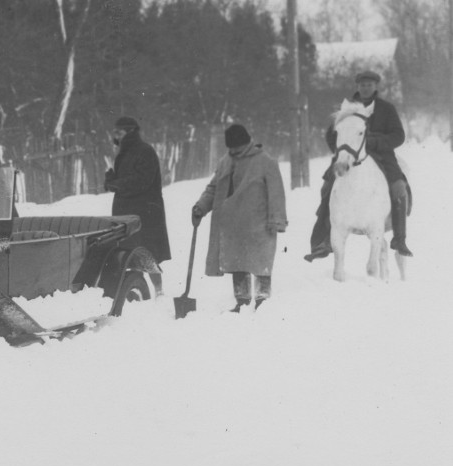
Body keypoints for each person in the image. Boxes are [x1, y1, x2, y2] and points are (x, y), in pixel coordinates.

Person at [305, 70, 412, 261]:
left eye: (369, 85)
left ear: (375, 86)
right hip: (348, 158)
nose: (365, 88)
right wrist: (340, 152)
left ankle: (399, 238)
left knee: (399, 187)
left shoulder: (386, 109)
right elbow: (331, 135)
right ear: (357, 87)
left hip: (382, 156)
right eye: (362, 85)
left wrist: (375, 142)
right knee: (327, 187)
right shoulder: (347, 108)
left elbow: (399, 136)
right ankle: (322, 241)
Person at [192, 124, 287, 312]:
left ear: (246, 143)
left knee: (261, 262)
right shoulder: (225, 161)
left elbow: (276, 192)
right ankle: (242, 299)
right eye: (231, 148)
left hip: (259, 224)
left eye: (237, 147)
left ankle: (263, 299)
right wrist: (201, 207)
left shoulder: (265, 161)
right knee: (237, 262)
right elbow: (213, 188)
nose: (234, 151)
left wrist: (277, 220)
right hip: (233, 224)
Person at [104, 116, 171, 296]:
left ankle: (159, 292)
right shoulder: (123, 152)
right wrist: (111, 180)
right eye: (115, 132)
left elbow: (143, 180)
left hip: (145, 212)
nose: (115, 136)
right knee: (129, 253)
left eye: (119, 132)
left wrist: (117, 184)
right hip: (126, 211)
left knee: (148, 254)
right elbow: (123, 179)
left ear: (131, 131)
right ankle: (135, 288)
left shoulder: (144, 151)